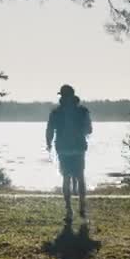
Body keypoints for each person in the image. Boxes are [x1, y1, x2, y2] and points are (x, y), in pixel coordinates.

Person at [46, 85, 92, 224]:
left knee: (66, 177)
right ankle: (82, 207)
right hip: (78, 148)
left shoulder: (55, 112)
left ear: (62, 97)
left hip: (63, 148)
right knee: (80, 177)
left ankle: (69, 210)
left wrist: (48, 143)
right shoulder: (83, 111)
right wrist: (80, 133)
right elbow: (89, 129)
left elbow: (49, 130)